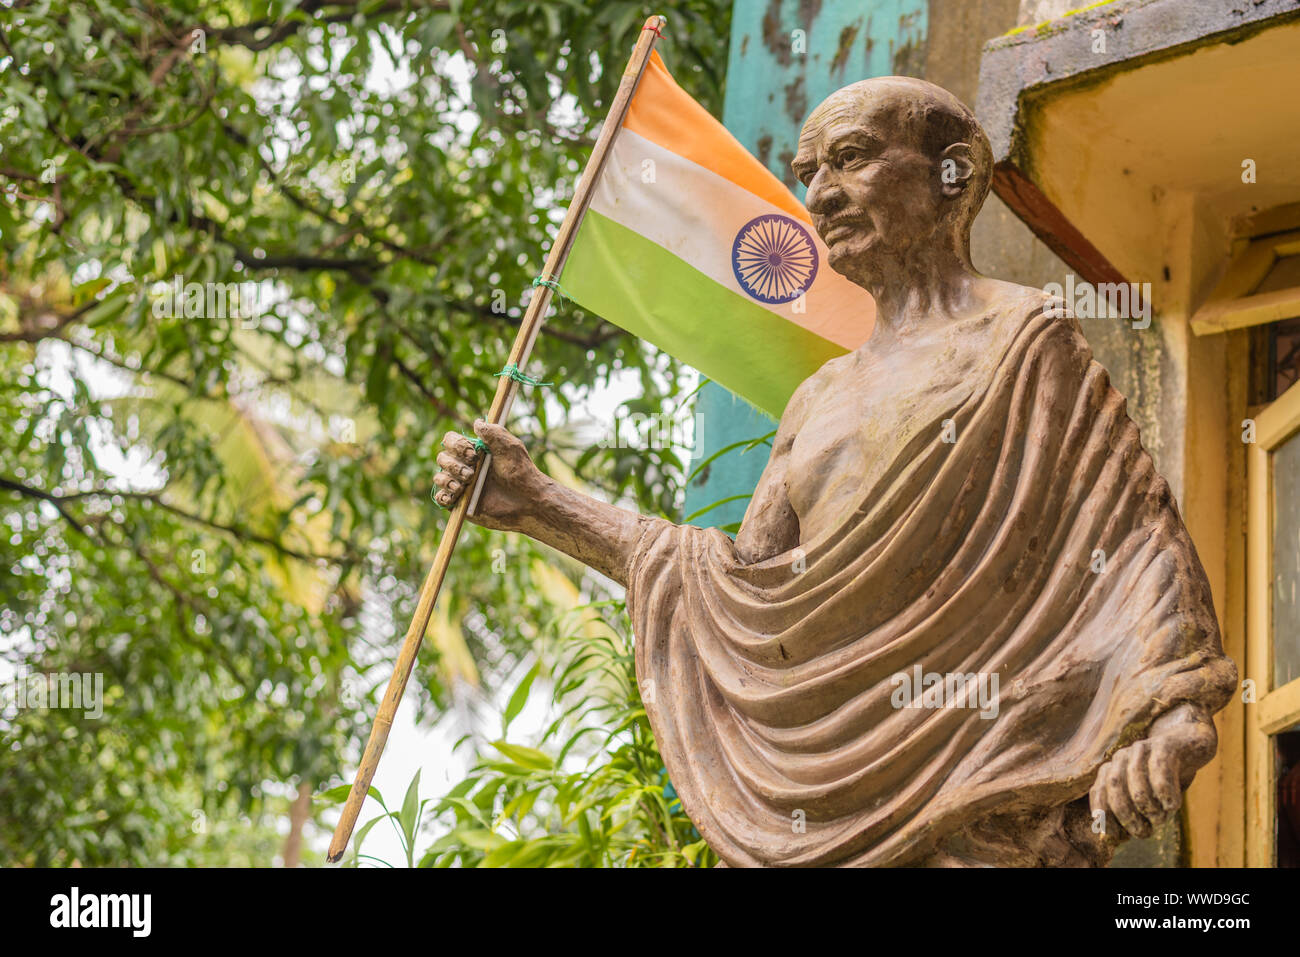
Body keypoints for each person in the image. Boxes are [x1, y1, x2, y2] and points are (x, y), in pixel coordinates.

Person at [434, 77, 1236, 867]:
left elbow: (1130, 537)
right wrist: (539, 502)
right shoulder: (818, 400)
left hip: (981, 786)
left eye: (850, 159)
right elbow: (741, 592)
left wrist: (1168, 708)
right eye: (809, 171)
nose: (819, 195)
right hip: (825, 807)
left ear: (951, 172)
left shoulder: (1024, 339)